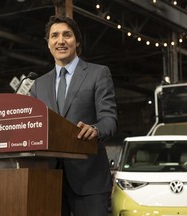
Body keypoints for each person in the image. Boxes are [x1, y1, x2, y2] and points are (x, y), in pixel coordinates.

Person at [30, 16, 117, 216]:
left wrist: (95, 129)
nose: (61, 41)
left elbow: (109, 119)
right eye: (54, 36)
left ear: (77, 41)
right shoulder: (38, 85)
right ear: (48, 44)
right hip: (49, 179)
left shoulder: (98, 73)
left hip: (89, 180)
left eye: (67, 35)